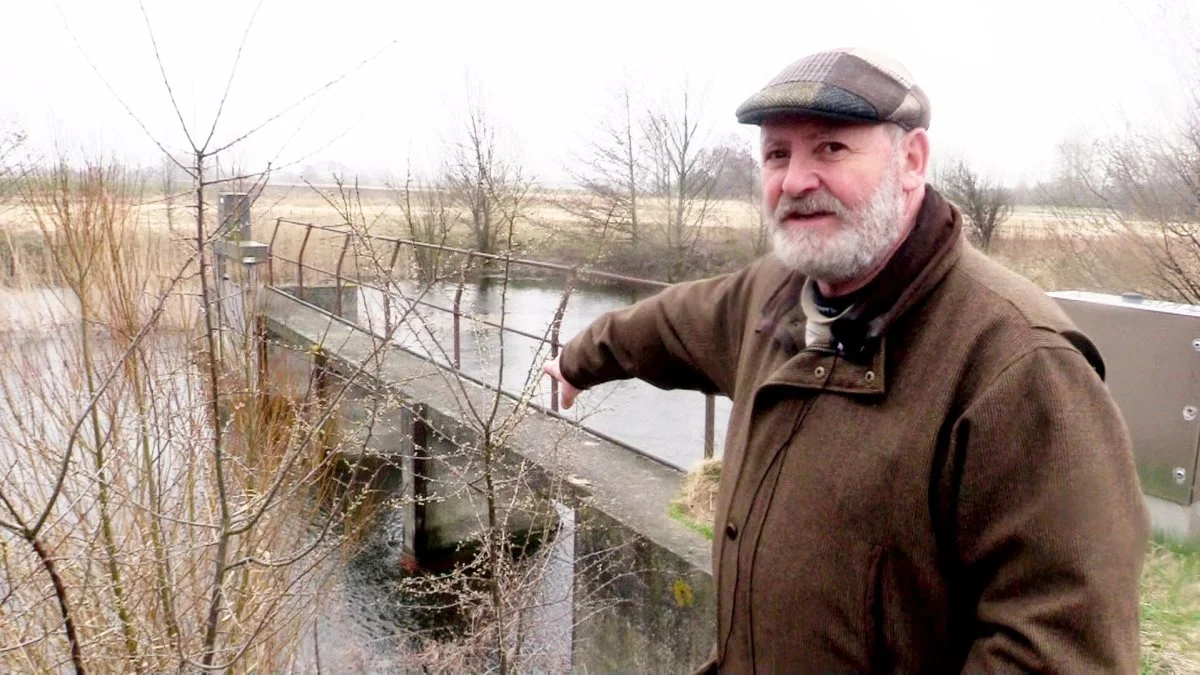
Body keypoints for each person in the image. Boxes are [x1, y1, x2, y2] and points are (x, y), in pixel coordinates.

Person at [543, 48, 1150, 672]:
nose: (796, 180)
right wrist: (577, 361)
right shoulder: (775, 297)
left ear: (911, 161)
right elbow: (667, 325)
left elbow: (1058, 651)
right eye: (777, 154)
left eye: (830, 148)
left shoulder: (1020, 364)